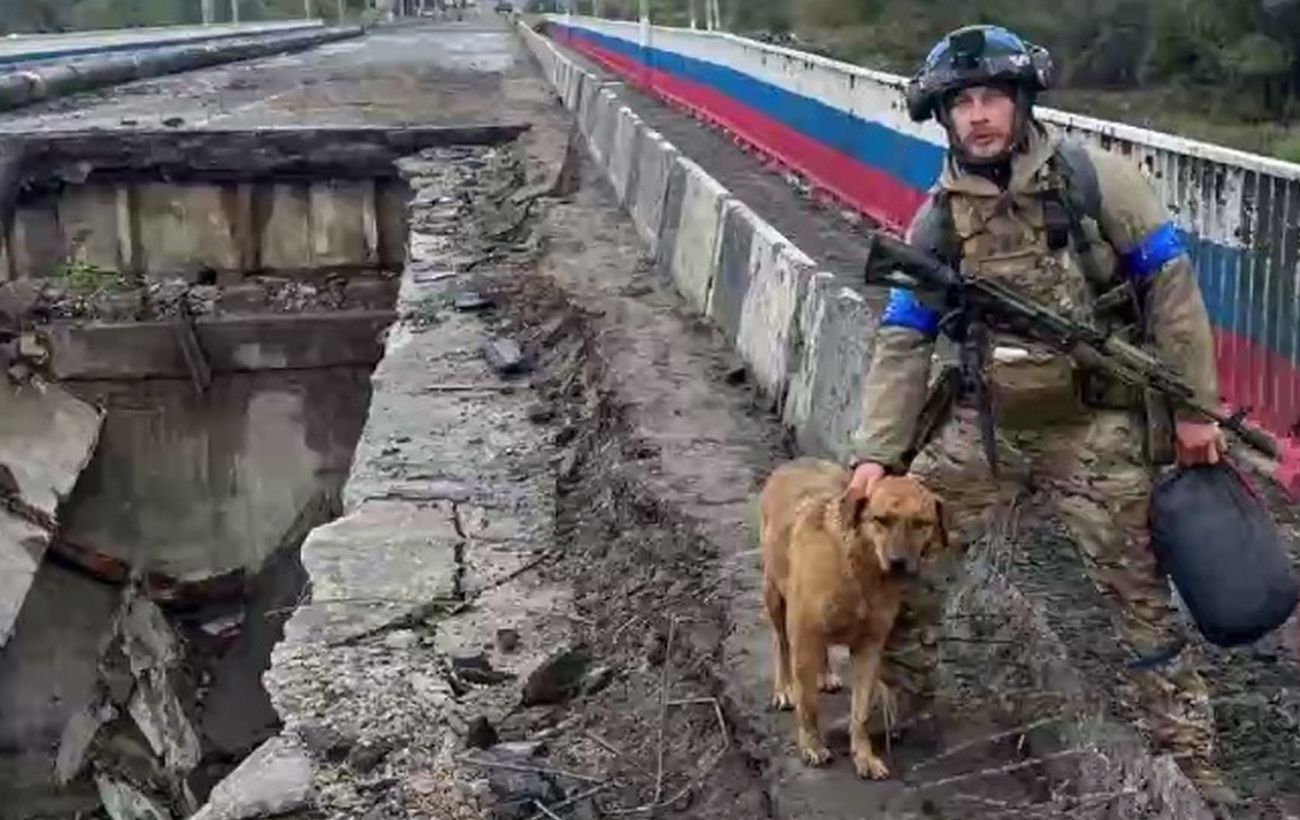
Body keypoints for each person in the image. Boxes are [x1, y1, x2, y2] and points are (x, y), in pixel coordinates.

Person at [846, 24, 1235, 806]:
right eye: (962, 103)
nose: (979, 115)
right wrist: (878, 455)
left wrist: (1197, 412)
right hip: (987, 428)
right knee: (905, 568)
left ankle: (1189, 763)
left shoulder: (1101, 184)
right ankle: (894, 707)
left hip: (1096, 429)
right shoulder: (935, 222)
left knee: (1140, 599)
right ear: (944, 117)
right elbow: (903, 337)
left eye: (992, 96)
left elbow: (1175, 302)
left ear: (1020, 102)